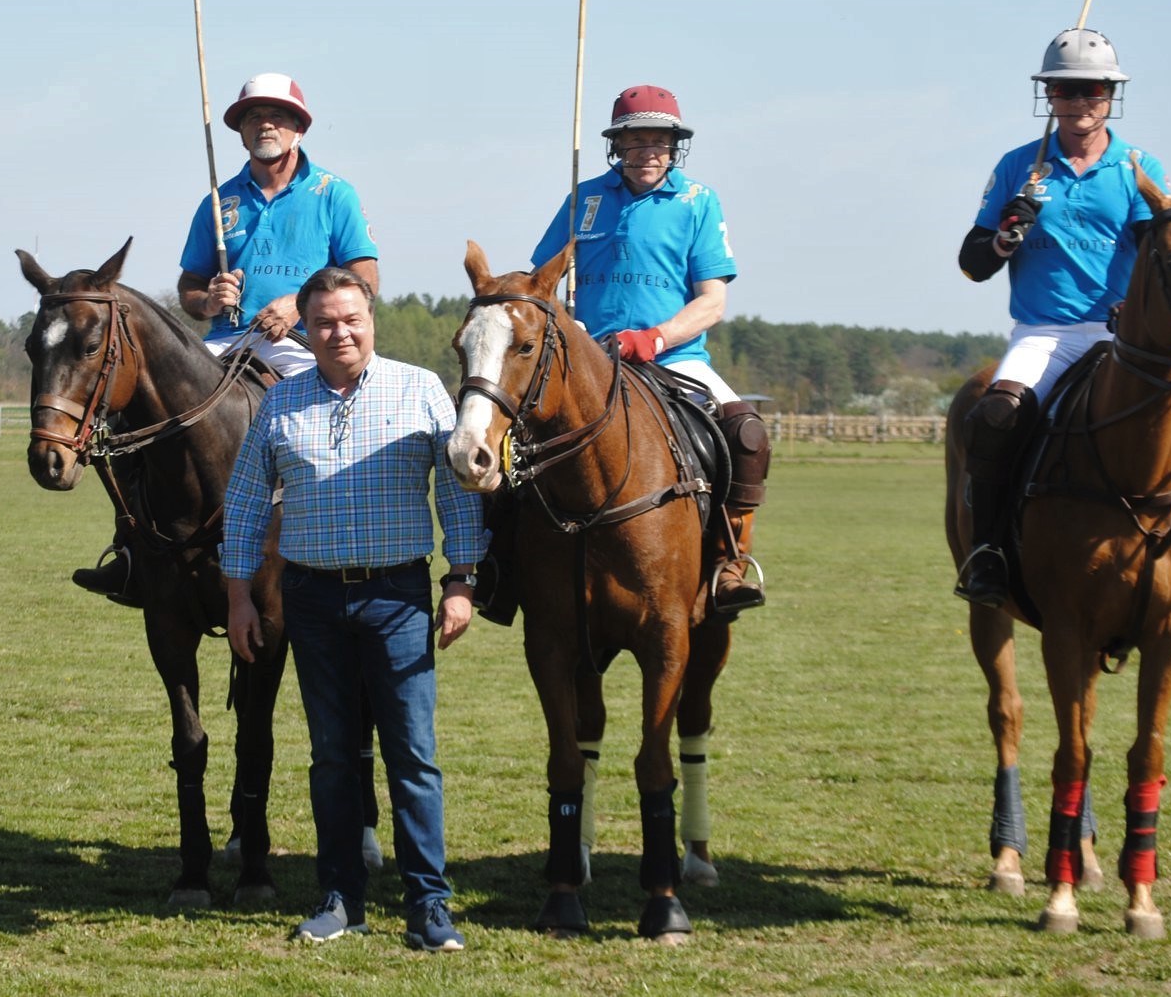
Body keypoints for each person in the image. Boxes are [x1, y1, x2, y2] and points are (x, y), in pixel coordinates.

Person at [953, 28, 1171, 606]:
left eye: (1093, 90)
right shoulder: (1019, 168)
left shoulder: (1137, 167)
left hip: (1126, 334)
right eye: (1067, 90)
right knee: (995, 416)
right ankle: (991, 551)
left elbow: (1163, 252)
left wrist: (1138, 307)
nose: (1080, 103)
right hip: (1045, 333)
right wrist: (1006, 235)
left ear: (1111, 95)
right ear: (1049, 95)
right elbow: (973, 265)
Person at [221, 267, 483, 952]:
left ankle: (429, 904)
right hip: (310, 600)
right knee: (334, 756)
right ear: (305, 328)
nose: (340, 331)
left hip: (397, 596)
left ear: (372, 318)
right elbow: (246, 506)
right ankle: (340, 898)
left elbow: (458, 495)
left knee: (413, 755)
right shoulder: (281, 404)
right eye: (325, 321)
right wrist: (240, 596)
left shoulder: (421, 388)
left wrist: (461, 579)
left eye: (351, 318)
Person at [71, 72, 379, 600]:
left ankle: (341, 540)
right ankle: (129, 548)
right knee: (131, 416)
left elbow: (366, 278)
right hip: (224, 341)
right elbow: (188, 287)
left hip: (302, 343)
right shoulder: (218, 203)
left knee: (341, 420)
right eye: (254, 116)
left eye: (278, 116)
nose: (266, 124)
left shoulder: (334, 193)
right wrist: (208, 299)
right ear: (238, 132)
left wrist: (299, 304)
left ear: (299, 128)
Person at [524, 84, 770, 617]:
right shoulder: (583, 197)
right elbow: (541, 278)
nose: (649, 154)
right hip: (589, 359)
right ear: (617, 146)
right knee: (515, 438)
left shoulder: (697, 200)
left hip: (674, 357)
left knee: (745, 430)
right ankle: (499, 566)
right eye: (637, 143)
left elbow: (712, 302)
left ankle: (731, 561)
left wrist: (655, 337)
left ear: (675, 147)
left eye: (660, 142)